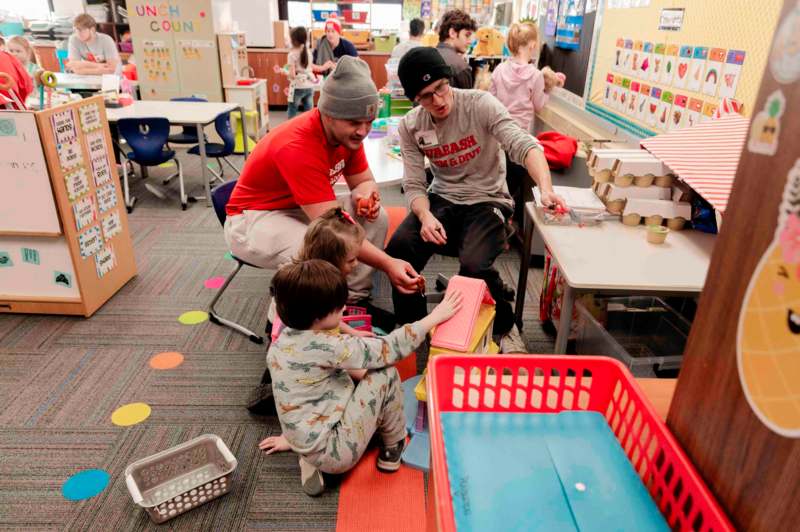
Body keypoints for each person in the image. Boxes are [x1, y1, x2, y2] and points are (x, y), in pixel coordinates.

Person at [385, 47, 567, 352]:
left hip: (489, 199)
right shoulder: (412, 126)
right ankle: (412, 330)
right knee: (399, 251)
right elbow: (415, 184)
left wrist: (545, 188)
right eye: (427, 96)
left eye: (441, 88)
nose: (439, 100)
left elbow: (524, 146)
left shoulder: (480, 104)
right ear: (415, 99)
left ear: (449, 79)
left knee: (472, 266)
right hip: (442, 197)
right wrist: (426, 216)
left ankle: (505, 322)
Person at [224, 56, 420, 321]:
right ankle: (284, 331)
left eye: (368, 121)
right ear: (328, 113)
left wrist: (366, 194)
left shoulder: (346, 134)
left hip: (300, 206)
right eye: (354, 123)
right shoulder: (297, 146)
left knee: (376, 217)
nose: (363, 131)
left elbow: (363, 180)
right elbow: (332, 230)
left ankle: (352, 300)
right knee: (316, 251)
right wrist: (387, 263)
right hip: (253, 218)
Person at [258, 259, 462, 496]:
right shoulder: (330, 346)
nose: (344, 310)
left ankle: (308, 456)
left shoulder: (280, 343)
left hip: (303, 437)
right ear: (317, 317)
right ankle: (392, 446)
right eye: (339, 307)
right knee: (385, 373)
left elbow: (293, 395)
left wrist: (290, 439)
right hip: (336, 451)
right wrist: (433, 319)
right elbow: (387, 350)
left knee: (348, 374)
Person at [490, 21, 563, 229]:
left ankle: (492, 222)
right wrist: (550, 88)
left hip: (497, 135)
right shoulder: (535, 75)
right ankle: (504, 224)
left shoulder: (499, 70)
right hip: (520, 138)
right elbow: (539, 105)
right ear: (532, 45)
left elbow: (490, 101)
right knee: (513, 185)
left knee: (496, 182)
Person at [436, 9, 476, 90]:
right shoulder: (461, 67)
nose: (470, 41)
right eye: (467, 35)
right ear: (452, 33)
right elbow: (465, 101)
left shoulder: (426, 57)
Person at [284, 26, 316, 119]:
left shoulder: (292, 55)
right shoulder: (308, 52)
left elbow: (292, 75)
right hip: (309, 85)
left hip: (297, 86)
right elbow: (308, 68)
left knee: (292, 109)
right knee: (309, 112)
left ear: (294, 40)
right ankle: (308, 130)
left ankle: (290, 130)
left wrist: (285, 72)